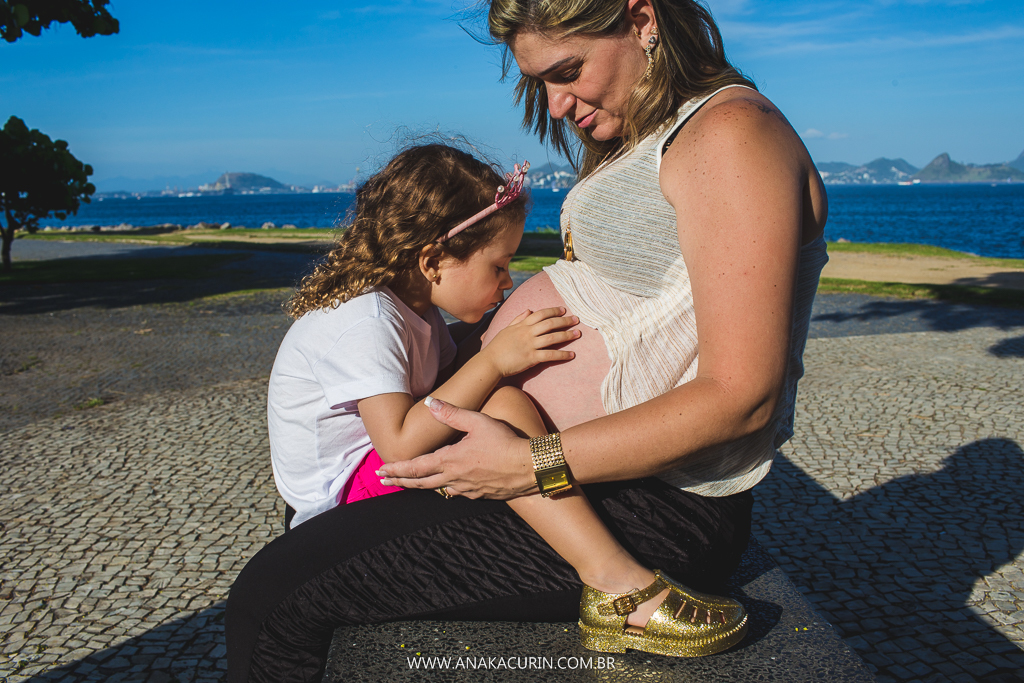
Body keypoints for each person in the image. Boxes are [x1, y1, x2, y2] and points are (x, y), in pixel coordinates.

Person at [227, 0, 828, 679]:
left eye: (567, 71)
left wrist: (527, 463)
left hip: (642, 498)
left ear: (641, 19)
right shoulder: (661, 134)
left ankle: (623, 591)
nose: (556, 105)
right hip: (568, 473)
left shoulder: (731, 134)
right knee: (287, 573)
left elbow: (742, 396)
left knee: (273, 598)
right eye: (539, 82)